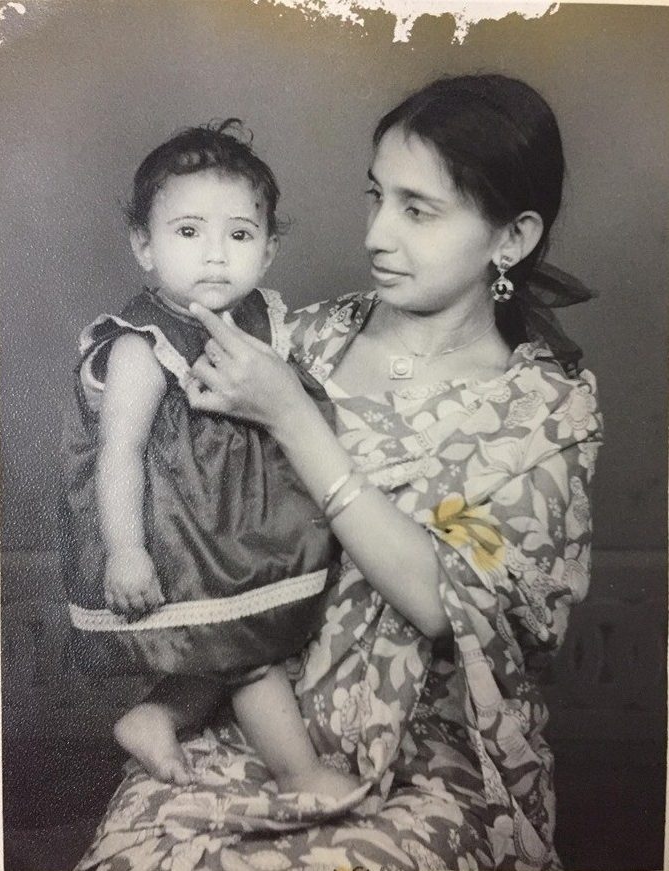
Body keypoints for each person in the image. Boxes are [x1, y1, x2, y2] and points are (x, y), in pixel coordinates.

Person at [76, 74, 602, 871]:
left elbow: (443, 604)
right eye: (374, 198)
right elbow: (158, 461)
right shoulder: (293, 337)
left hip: (425, 754)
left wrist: (292, 417)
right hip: (240, 712)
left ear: (511, 238)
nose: (377, 236)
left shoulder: (545, 410)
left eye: (417, 210)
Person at [59, 120, 359, 800]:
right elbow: (120, 451)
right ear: (144, 244)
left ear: (269, 247)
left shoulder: (264, 318)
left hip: (234, 524)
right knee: (250, 656)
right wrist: (126, 551)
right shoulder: (143, 344)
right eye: (188, 232)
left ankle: (155, 715)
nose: (215, 256)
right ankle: (301, 774)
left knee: (233, 641)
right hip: (178, 531)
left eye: (240, 235)